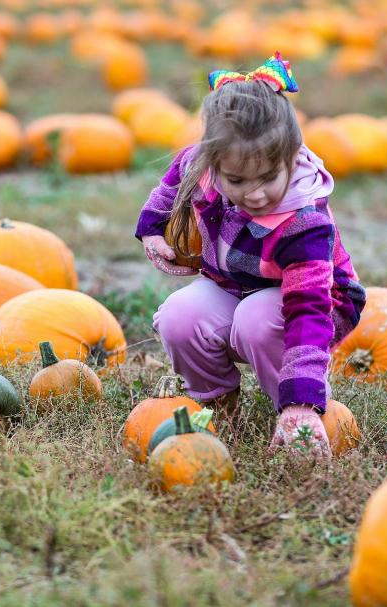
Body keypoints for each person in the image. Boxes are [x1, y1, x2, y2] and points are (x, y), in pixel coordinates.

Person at [135, 52, 366, 457]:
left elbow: (308, 311)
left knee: (257, 319)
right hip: (236, 285)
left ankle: (299, 413)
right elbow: (170, 188)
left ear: (291, 155)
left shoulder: (304, 222)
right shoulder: (200, 165)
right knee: (179, 316)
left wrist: (301, 402)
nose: (255, 194)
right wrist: (152, 231)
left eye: (268, 178)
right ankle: (219, 408)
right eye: (237, 180)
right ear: (213, 162)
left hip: (315, 304)